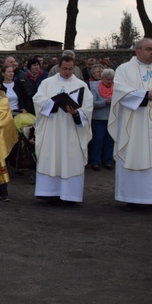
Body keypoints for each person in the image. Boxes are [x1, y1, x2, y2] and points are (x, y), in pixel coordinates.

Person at [33, 56, 93, 204]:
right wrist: (54, 102)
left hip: (71, 129)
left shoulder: (81, 85)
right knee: (51, 156)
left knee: (70, 158)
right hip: (52, 128)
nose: (67, 72)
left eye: (70, 69)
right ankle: (49, 193)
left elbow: (87, 106)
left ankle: (70, 195)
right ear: (58, 68)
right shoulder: (47, 83)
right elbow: (37, 100)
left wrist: (76, 113)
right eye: (64, 69)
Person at [108, 38, 152, 205]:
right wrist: (146, 95)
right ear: (137, 51)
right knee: (136, 154)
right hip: (136, 125)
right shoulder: (125, 69)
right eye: (149, 49)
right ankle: (133, 198)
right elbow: (120, 93)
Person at [89, 68, 114, 171]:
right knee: (98, 140)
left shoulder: (115, 87)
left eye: (111, 79)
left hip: (111, 118)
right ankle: (95, 161)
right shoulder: (94, 87)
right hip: (98, 118)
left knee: (110, 140)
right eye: (107, 79)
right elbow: (92, 102)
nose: (110, 82)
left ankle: (107, 161)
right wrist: (104, 102)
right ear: (102, 78)